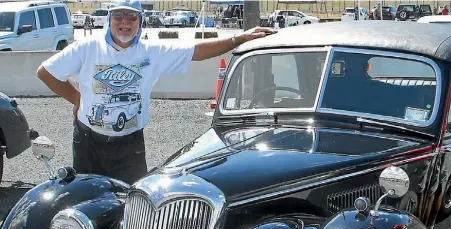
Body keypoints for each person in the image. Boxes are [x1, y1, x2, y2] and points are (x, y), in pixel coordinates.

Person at [36, 0, 276, 184]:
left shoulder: (152, 52)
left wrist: (238, 38)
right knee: (86, 197)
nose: (124, 22)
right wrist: (77, 98)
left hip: (129, 145)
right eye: (118, 15)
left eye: (131, 17)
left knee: (130, 199)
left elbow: (196, 51)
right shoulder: (87, 47)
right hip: (88, 141)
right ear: (109, 19)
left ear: (140, 21)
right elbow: (46, 72)